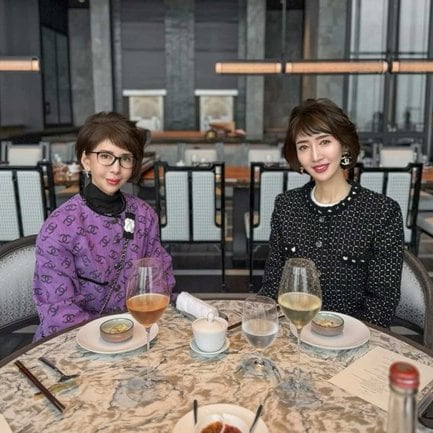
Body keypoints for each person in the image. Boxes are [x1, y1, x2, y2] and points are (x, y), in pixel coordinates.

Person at [259, 98, 404, 328]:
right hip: (294, 330)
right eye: (304, 147)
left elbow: (382, 304)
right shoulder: (286, 206)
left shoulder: (382, 212)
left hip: (355, 338)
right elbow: (271, 285)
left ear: (344, 146)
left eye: (324, 142)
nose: (315, 156)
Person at [32, 112, 175, 340]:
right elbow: (57, 311)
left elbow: (160, 278)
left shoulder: (144, 214)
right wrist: (110, 338)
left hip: (136, 332)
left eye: (125, 158)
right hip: (76, 341)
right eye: (105, 156)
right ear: (86, 160)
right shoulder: (59, 228)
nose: (116, 169)